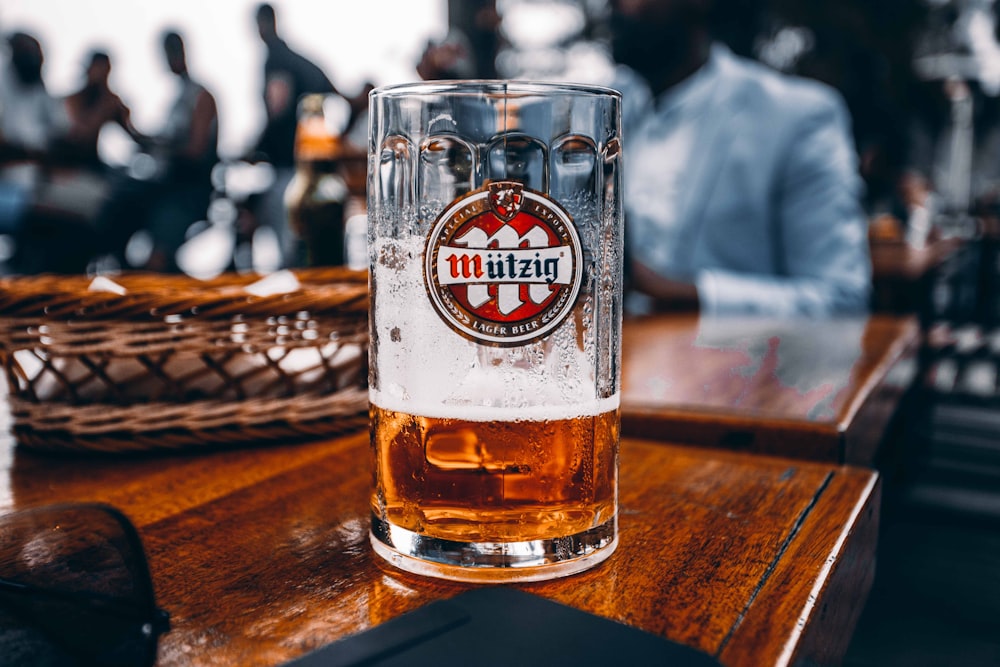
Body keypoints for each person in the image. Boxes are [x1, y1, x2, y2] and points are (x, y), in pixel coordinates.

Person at [611, 0, 872, 317]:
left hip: (737, 361)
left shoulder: (796, 115)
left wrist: (681, 293)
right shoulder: (604, 109)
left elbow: (841, 298)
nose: (617, 4)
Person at [100, 31, 218, 272]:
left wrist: (159, 148)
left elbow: (195, 150)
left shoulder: (200, 96)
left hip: (187, 191)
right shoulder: (177, 98)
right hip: (165, 189)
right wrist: (129, 128)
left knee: (158, 257)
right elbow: (159, 143)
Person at [248, 3, 337, 266]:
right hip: (310, 168)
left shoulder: (277, 59)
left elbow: (277, 111)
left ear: (262, 25)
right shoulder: (299, 60)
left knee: (288, 246)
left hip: (294, 169)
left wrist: (253, 149)